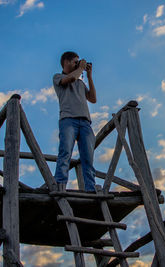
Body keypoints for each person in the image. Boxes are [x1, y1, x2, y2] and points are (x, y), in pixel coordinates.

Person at [53, 51, 97, 192]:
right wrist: (80, 68)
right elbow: (69, 79)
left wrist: (89, 76)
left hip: (85, 122)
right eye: (75, 61)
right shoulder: (58, 77)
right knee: (65, 153)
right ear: (66, 62)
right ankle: (60, 185)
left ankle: (90, 189)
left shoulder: (80, 82)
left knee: (88, 158)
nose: (78, 64)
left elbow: (93, 98)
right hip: (68, 120)